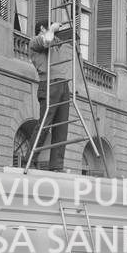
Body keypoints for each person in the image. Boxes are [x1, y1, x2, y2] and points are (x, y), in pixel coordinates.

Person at [28, 21, 71, 172]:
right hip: (49, 84)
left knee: (62, 127)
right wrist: (52, 29)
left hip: (63, 84)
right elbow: (46, 41)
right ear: (42, 28)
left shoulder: (55, 41)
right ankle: (30, 158)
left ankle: (57, 165)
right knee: (44, 124)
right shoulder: (35, 41)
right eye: (50, 26)